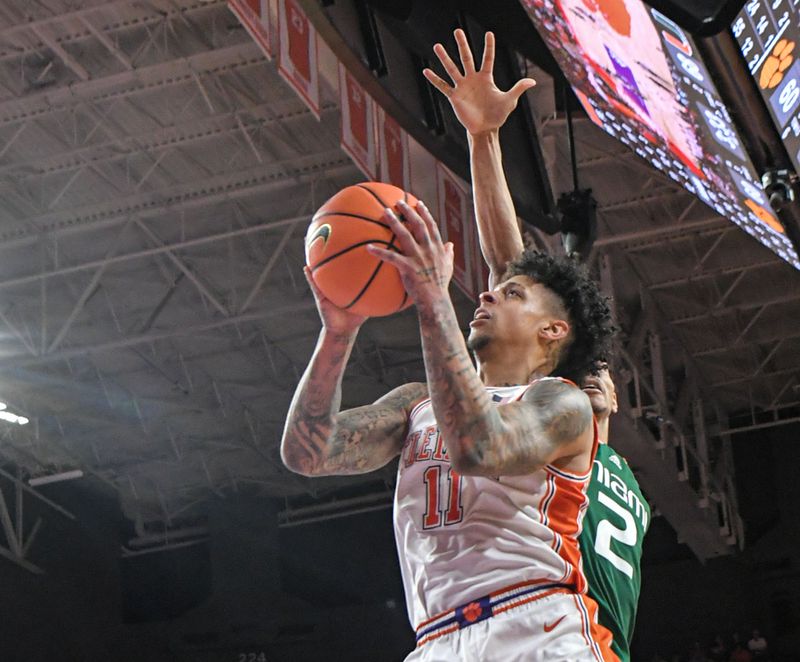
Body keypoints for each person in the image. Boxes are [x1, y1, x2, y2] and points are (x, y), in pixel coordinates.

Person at [281, 202, 617, 655]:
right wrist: (337, 334)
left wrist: (431, 297)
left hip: (535, 626)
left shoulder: (562, 403)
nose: (487, 295)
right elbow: (308, 454)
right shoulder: (415, 404)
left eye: (513, 294)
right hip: (436, 637)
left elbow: (480, 447)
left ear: (554, 330)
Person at [424, 28, 649, 660]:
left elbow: (509, 268)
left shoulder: (569, 434)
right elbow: (508, 268)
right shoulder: (619, 479)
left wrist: (486, 138)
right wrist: (483, 139)